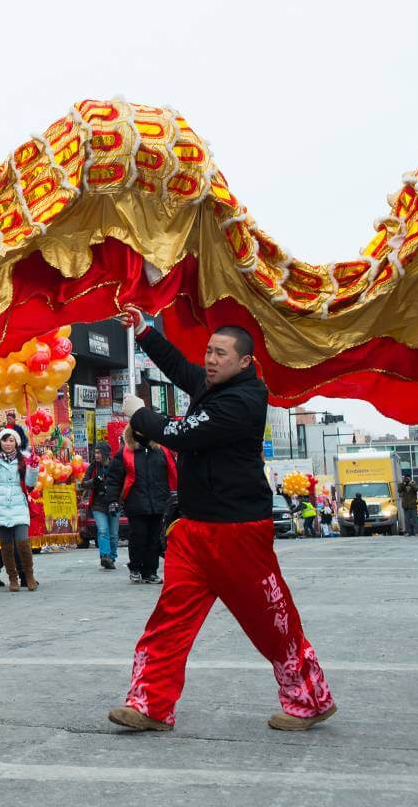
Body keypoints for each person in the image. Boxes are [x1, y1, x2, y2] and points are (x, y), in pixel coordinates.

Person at [109, 307, 335, 733]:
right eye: (209, 351)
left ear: (245, 362)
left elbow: (181, 434)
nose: (210, 361)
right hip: (193, 531)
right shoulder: (213, 385)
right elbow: (178, 366)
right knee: (169, 621)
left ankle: (310, 697)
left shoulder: (245, 400)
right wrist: (142, 330)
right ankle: (150, 704)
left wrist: (139, 414)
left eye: (221, 354)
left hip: (239, 532)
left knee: (271, 622)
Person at [107, 426, 177, 585]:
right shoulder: (125, 454)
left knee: (154, 539)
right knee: (138, 536)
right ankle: (136, 568)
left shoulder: (162, 451)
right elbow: (114, 480)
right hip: (136, 503)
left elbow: (174, 473)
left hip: (159, 503)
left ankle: (150, 572)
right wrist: (112, 501)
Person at [0, 429, 39, 592]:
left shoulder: (23, 459)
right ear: (0, 442)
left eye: (11, 440)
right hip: (0, 505)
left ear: (16, 442)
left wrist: (33, 468)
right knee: (6, 545)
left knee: (23, 542)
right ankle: (13, 578)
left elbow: (30, 484)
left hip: (19, 504)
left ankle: (29, 575)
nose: (8, 443)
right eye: (5, 440)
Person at [82, 441, 119, 570]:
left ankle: (112, 557)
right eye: (95, 452)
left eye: (99, 452)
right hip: (98, 505)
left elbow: (122, 481)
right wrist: (95, 481)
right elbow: (84, 483)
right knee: (103, 530)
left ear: (106, 453)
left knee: (113, 534)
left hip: (113, 503)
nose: (96, 455)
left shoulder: (116, 465)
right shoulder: (93, 467)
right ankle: (105, 557)